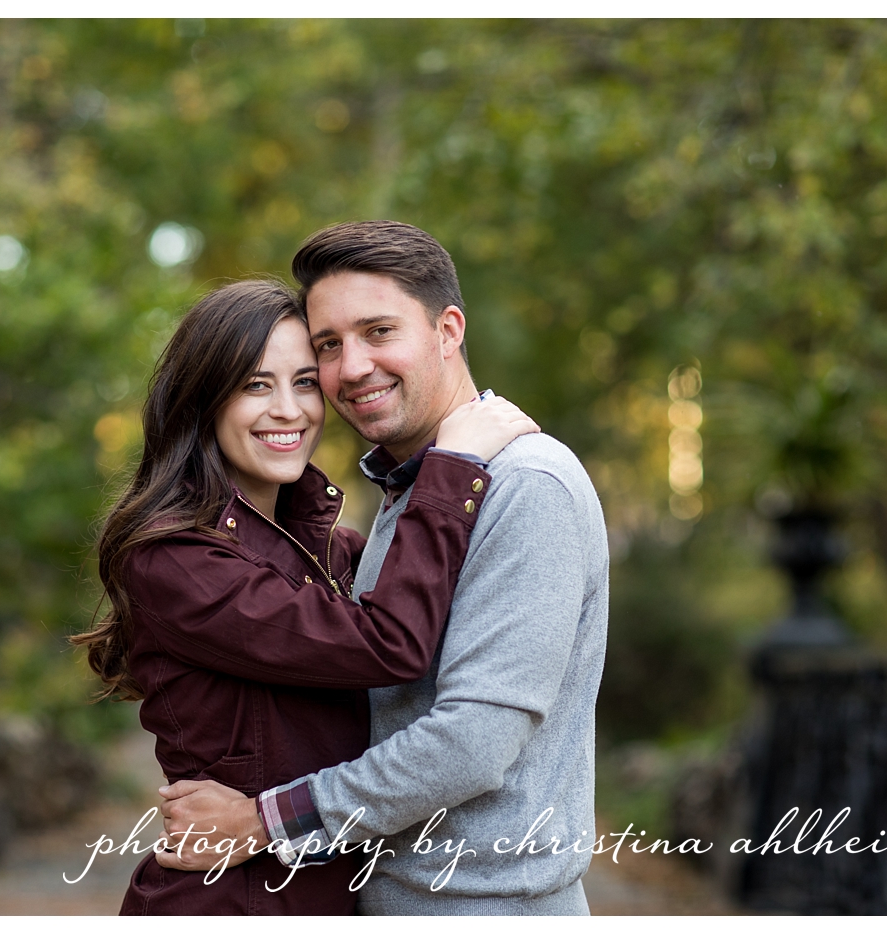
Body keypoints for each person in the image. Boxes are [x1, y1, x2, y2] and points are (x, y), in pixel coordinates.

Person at [154, 222, 611, 915]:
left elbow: (473, 743)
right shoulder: (414, 491)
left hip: (483, 907)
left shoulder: (524, 483)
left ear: (449, 330)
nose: (353, 368)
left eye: (378, 331)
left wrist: (265, 821)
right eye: (329, 347)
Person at [74, 279, 537, 913]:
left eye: (305, 383)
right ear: (204, 400)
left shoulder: (329, 549)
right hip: (231, 904)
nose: (289, 410)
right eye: (256, 385)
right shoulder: (176, 559)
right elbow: (388, 644)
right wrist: (451, 470)